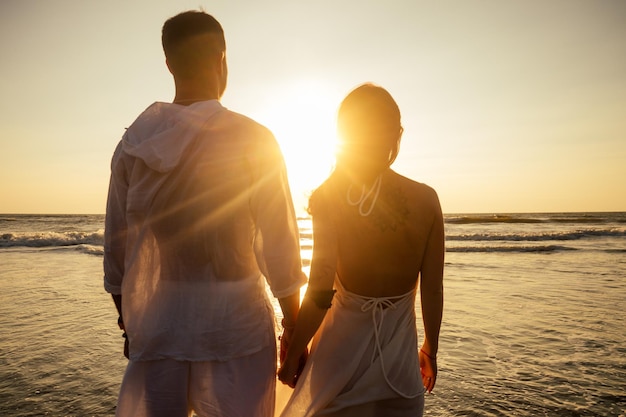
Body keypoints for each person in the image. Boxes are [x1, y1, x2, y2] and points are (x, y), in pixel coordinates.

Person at [103, 10, 306, 417]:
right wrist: (295, 333)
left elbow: (116, 249)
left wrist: (131, 322)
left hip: (159, 326)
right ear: (222, 59)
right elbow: (280, 250)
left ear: (169, 64)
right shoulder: (254, 139)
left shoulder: (136, 142)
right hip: (237, 330)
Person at [277, 83, 444, 416]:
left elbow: (321, 285)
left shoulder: (330, 195)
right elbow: (432, 287)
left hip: (339, 363)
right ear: (396, 133)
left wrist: (294, 351)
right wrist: (430, 350)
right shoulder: (426, 199)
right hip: (398, 368)